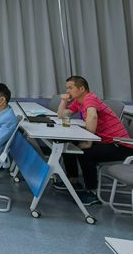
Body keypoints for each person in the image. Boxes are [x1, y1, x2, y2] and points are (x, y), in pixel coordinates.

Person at [57, 75, 133, 206]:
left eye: (70, 87)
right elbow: (62, 115)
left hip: (120, 145)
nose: (67, 91)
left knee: (86, 153)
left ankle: (91, 192)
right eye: (67, 88)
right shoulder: (78, 101)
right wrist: (63, 101)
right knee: (69, 144)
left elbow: (92, 116)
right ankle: (73, 181)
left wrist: (88, 141)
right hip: (105, 141)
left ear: (81, 89)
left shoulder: (90, 98)